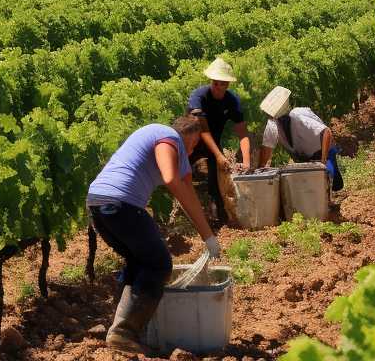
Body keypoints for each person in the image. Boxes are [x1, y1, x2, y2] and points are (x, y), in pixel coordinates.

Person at [86, 114, 219, 355]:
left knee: (139, 263)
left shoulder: (169, 142)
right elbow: (171, 178)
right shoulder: (168, 137)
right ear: (189, 135)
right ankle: (124, 333)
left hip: (98, 203)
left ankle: (127, 329)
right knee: (158, 265)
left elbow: (187, 189)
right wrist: (208, 237)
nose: (193, 149)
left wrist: (208, 236)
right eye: (195, 143)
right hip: (121, 204)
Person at [186, 57, 252, 226]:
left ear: (227, 84)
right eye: (216, 83)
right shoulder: (198, 96)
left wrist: (246, 162)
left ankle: (217, 215)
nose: (219, 87)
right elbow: (203, 129)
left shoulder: (232, 100)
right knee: (182, 173)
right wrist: (218, 155)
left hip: (212, 142)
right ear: (211, 81)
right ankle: (183, 212)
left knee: (216, 181)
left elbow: (243, 133)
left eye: (223, 84)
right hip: (190, 141)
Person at [255, 90, 344, 191]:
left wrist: (323, 162)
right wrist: (259, 174)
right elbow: (266, 151)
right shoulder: (272, 125)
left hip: (324, 151)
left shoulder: (298, 116)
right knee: (305, 187)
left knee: (333, 183)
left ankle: (328, 191)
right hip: (303, 158)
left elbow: (326, 132)